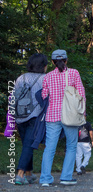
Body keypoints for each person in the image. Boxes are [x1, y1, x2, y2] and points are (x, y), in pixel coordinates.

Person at [40, 49, 86, 187]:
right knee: (71, 146)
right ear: (66, 60)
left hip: (52, 115)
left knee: (49, 148)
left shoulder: (47, 76)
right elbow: (81, 94)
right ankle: (66, 177)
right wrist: (83, 113)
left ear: (53, 62)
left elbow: (44, 96)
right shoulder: (74, 73)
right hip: (70, 115)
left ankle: (45, 179)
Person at [13, 53, 48, 185]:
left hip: (20, 116)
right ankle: (20, 174)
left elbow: (14, 97)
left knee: (27, 144)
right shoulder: (45, 79)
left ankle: (29, 174)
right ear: (43, 66)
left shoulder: (21, 78)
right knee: (29, 145)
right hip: (35, 117)